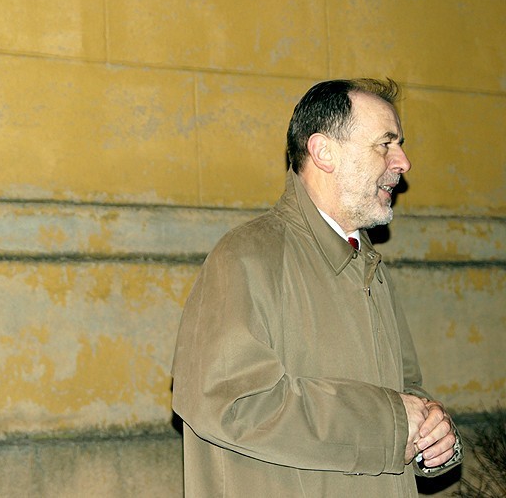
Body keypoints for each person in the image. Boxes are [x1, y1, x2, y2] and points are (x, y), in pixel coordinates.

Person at [171, 79, 463, 496]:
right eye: (386, 144)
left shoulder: (369, 266)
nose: (403, 162)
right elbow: (230, 403)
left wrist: (435, 436)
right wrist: (390, 422)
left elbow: (407, 394)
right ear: (324, 152)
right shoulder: (247, 257)